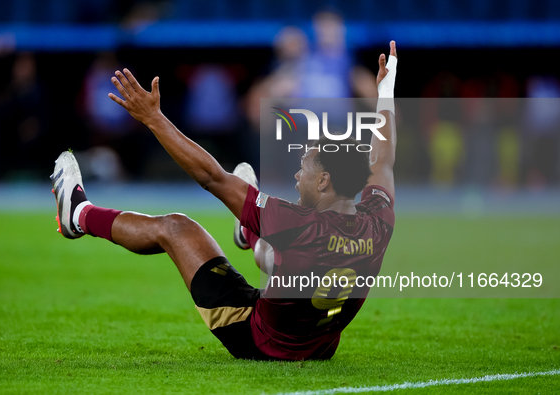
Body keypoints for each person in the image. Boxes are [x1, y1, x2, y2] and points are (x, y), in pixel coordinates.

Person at [51, 41, 398, 361]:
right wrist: (386, 92)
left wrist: (154, 119)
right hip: (320, 344)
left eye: (305, 167)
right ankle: (250, 234)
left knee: (176, 227)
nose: (297, 175)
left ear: (324, 180)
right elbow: (382, 160)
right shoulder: (378, 219)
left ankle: (79, 215)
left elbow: (212, 177)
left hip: (260, 340)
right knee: (284, 258)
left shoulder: (295, 223)